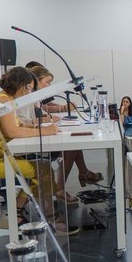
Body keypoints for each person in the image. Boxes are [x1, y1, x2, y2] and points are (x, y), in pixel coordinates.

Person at [0, 67, 74, 235]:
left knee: (42, 167)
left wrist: (35, 124)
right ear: (21, 85)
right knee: (42, 169)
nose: (30, 91)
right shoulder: (3, 101)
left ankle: (20, 213)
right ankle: (22, 216)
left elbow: (15, 125)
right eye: (29, 87)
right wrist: (45, 131)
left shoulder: (2, 97)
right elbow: (12, 132)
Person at [29, 65, 102, 200]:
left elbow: (43, 113)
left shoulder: (36, 99)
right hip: (33, 145)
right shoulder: (28, 99)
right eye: (47, 82)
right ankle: (61, 188)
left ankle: (82, 174)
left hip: (43, 135)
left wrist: (50, 118)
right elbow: (29, 121)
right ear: (36, 81)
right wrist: (48, 118)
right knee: (71, 148)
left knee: (74, 143)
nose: (49, 85)